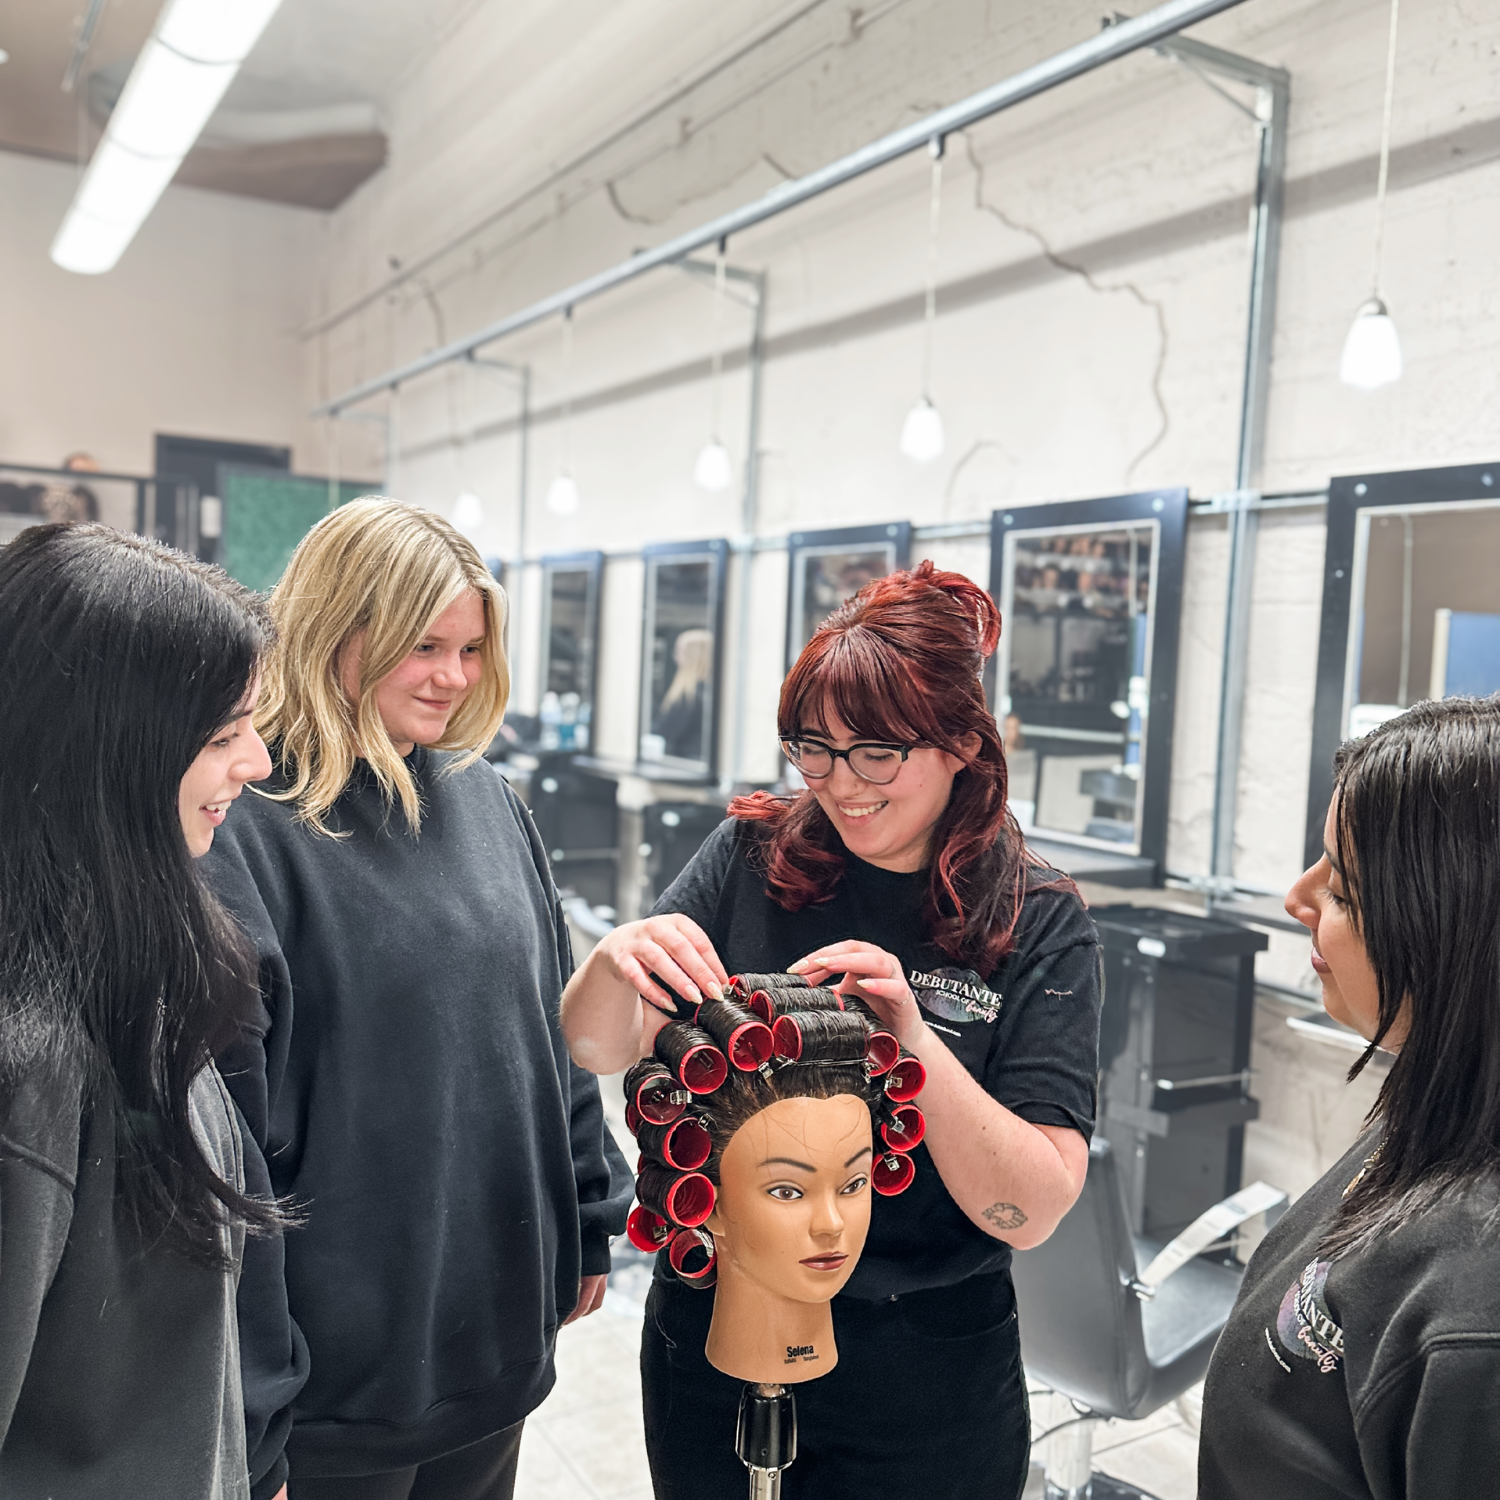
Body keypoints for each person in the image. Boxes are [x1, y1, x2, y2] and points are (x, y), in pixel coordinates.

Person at [561, 560, 1102, 1500]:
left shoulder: (1033, 918)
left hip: (923, 1370)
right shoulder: (751, 858)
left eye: (876, 754)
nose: (841, 786)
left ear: (962, 743)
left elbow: (1034, 1205)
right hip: (716, 1328)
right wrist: (612, 964)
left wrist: (918, 1046)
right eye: (814, 749)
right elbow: (598, 1047)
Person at [201, 497, 631, 1500]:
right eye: (423, 645)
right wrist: (257, 1387)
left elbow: (548, 1026)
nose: (455, 676)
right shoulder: (245, 829)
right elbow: (228, 1134)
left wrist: (587, 1206)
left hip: (492, 1338)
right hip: (339, 1375)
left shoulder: (490, 803)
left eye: (473, 648)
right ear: (333, 631)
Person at [0, 522, 280, 1499]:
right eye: (220, 734)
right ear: (105, 754)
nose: (259, 763)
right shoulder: (30, 1071)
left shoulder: (123, 981)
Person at [1198, 695, 1500, 1496]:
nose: (1299, 900)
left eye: (1343, 891)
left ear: (1450, 930)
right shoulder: (1440, 1113)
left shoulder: (1478, 1327)